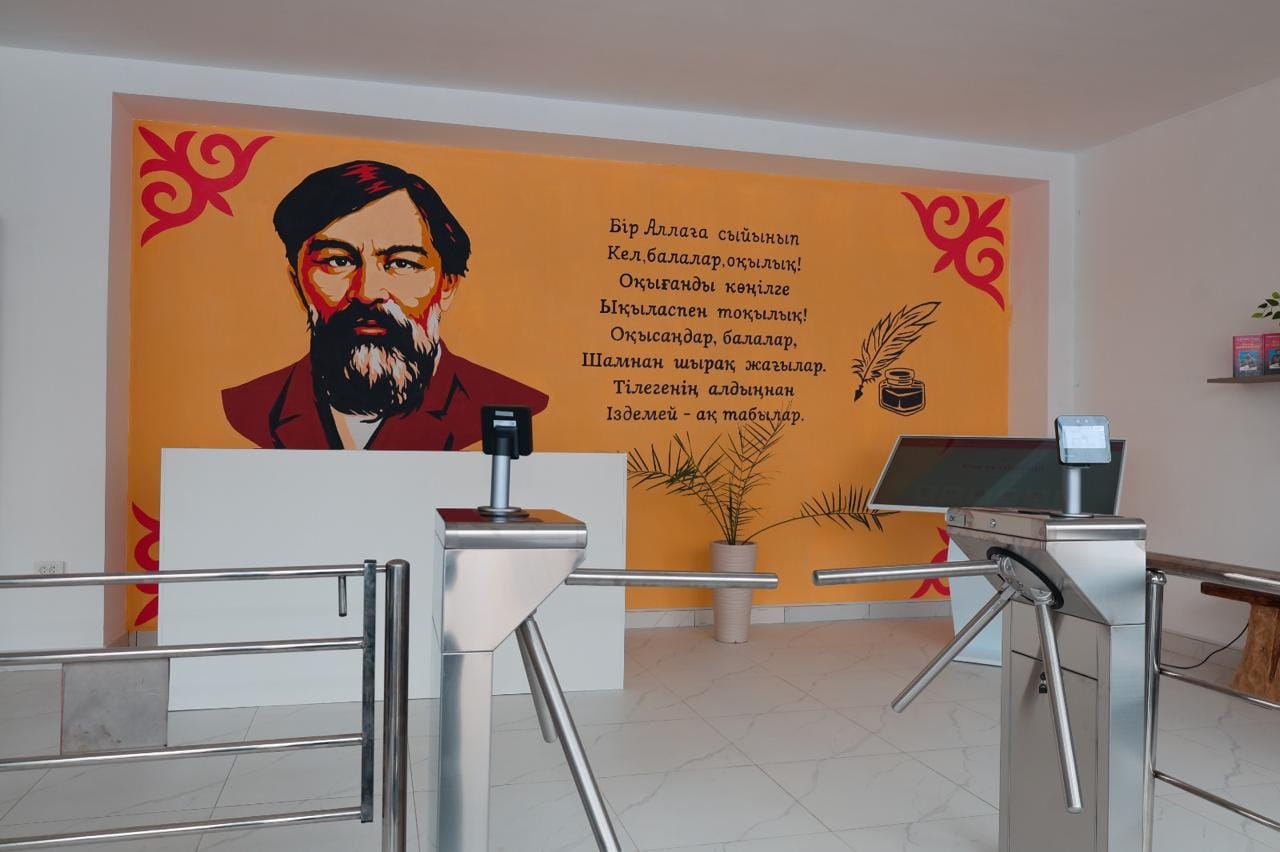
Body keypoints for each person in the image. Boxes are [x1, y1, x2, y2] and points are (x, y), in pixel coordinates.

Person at [222, 161, 548, 450]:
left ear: (447, 285)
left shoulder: (507, 404)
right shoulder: (255, 406)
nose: (367, 292)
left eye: (402, 263)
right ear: (297, 283)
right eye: (337, 261)